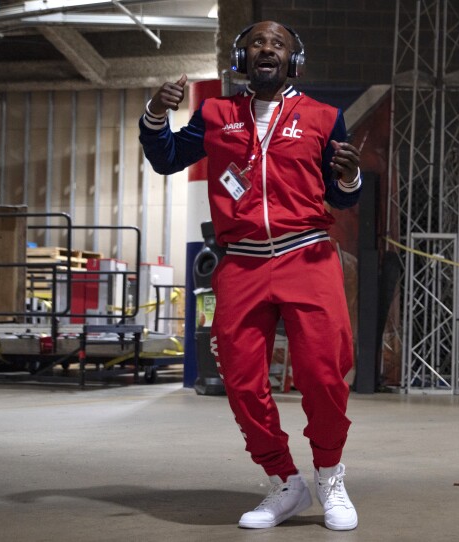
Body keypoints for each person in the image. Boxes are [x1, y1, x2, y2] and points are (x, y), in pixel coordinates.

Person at [138, 20, 361, 531]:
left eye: (277, 44)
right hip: (241, 261)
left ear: (292, 60)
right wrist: (155, 113)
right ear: (241, 59)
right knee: (240, 381)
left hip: (307, 257)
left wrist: (348, 175)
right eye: (257, 42)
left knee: (324, 376)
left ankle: (329, 474)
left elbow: (343, 193)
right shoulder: (216, 114)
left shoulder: (325, 118)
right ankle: (285, 482)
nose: (266, 49)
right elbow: (168, 158)